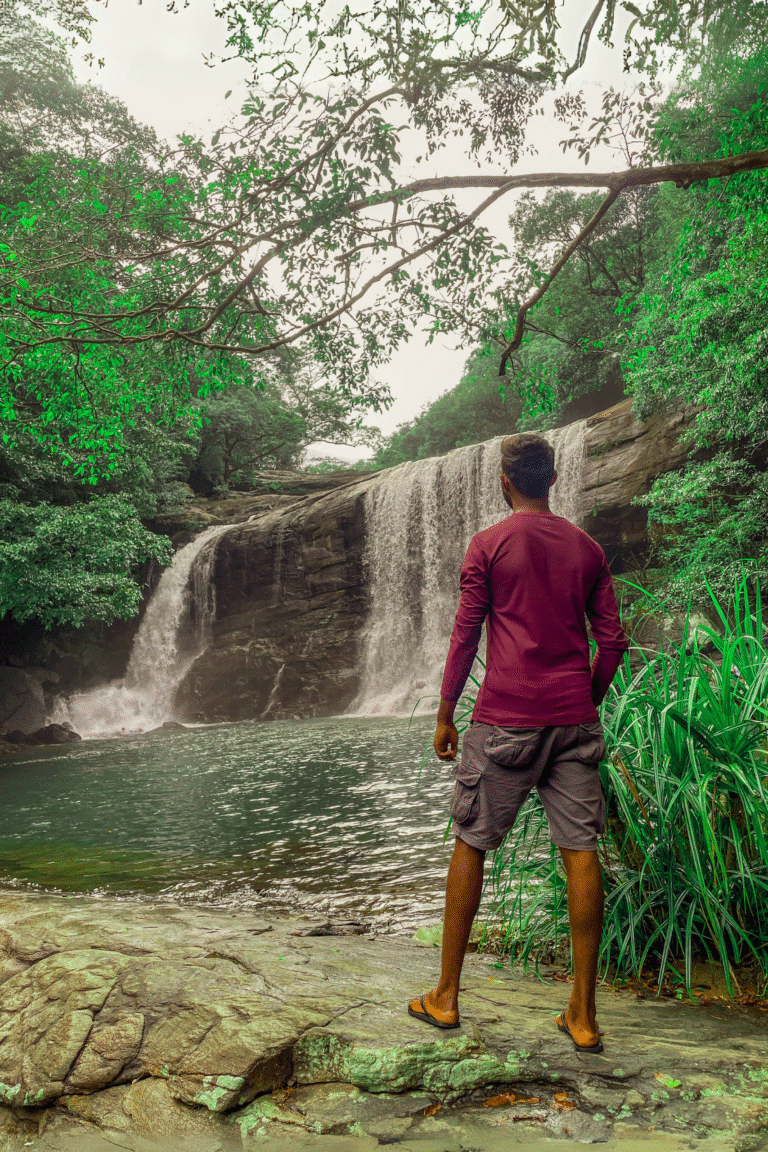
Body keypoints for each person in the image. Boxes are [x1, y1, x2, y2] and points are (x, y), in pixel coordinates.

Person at [407, 433, 630, 1054]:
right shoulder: (587, 549)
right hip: (574, 720)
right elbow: (613, 643)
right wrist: (585, 700)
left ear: (506, 481)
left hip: (504, 719)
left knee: (472, 842)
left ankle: (447, 998)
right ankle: (582, 1015)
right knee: (581, 850)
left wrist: (447, 713)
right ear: (553, 480)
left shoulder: (489, 544)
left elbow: (465, 635)